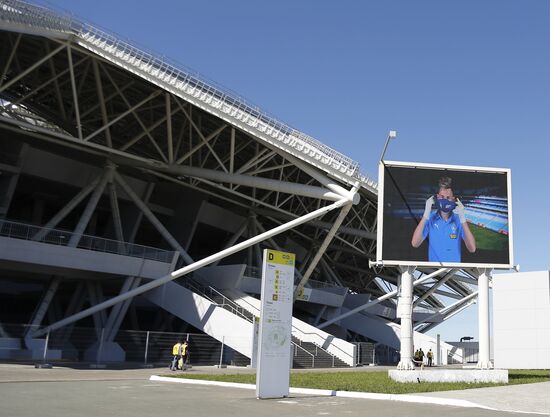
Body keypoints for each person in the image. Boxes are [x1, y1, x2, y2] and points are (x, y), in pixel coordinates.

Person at [411, 177, 476, 263]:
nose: (445, 200)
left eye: (448, 197)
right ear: (437, 197)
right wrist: (426, 214)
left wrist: (462, 218)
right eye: (442, 197)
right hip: (433, 271)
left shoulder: (459, 219)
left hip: (454, 271)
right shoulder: (430, 218)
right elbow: (415, 243)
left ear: (454, 199)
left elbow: (472, 248)